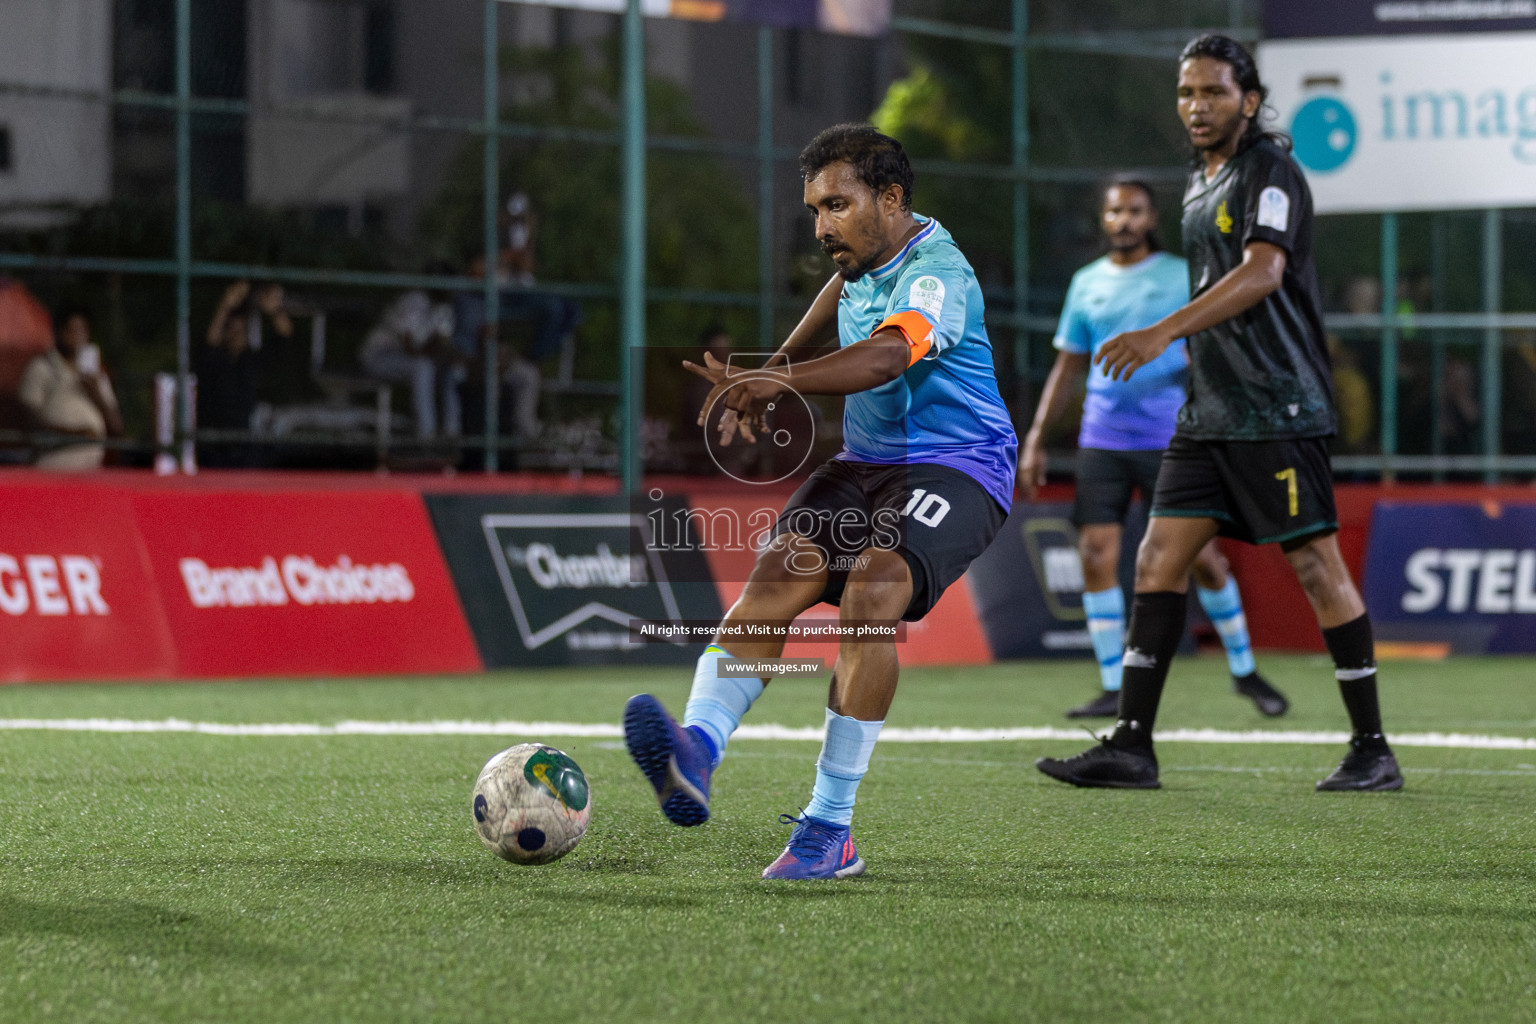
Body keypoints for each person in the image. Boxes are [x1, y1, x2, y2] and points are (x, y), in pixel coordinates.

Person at [622, 124, 1017, 878]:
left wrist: (785, 382)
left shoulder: (938, 271)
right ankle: (695, 751)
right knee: (774, 579)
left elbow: (889, 355)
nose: (821, 226)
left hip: (958, 467)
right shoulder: (865, 257)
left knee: (874, 589)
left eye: (836, 205)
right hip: (865, 463)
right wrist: (773, 364)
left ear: (891, 198)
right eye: (813, 209)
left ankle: (830, 828)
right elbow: (840, 290)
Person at [1036, 35, 1401, 792]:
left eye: (1213, 92)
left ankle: (1373, 748)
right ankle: (1132, 745)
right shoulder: (1200, 181)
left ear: (1251, 100)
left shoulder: (1271, 170)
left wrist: (1163, 329)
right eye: (1187, 93)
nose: (1197, 106)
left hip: (1277, 407)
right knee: (1157, 560)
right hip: (1207, 413)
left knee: (1314, 564)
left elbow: (1263, 272)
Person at [1021, 179, 1288, 720]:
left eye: (1134, 211)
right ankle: (1111, 685)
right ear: (1104, 219)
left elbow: (1213, 346)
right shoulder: (1086, 283)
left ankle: (1244, 669)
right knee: (1096, 556)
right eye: (1114, 211)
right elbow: (1068, 366)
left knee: (1204, 561)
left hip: (1173, 438)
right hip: (1102, 439)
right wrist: (1035, 438)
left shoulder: (1180, 275)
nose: (1124, 220)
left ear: (1151, 217)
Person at [197, 280, 292, 467]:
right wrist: (225, 305)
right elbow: (210, 343)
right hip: (213, 444)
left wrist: (275, 309)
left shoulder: (252, 361)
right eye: (232, 331)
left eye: (241, 331)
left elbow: (285, 337)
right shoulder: (216, 360)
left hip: (245, 442)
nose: (236, 335)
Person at [17, 307, 123, 469]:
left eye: (82, 330)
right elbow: (31, 423)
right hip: (52, 467)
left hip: (90, 471)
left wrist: (96, 394)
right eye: (72, 330)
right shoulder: (41, 368)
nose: (78, 336)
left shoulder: (97, 375)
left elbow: (117, 428)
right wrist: (75, 436)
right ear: (59, 332)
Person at [360, 274, 462, 441]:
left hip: (409, 360)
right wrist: (435, 349)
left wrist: (444, 351)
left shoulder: (444, 308)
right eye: (447, 285)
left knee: (450, 368)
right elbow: (407, 345)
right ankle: (426, 437)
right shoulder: (414, 300)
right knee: (423, 366)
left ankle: (452, 435)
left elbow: (439, 347)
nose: (451, 291)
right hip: (379, 356)